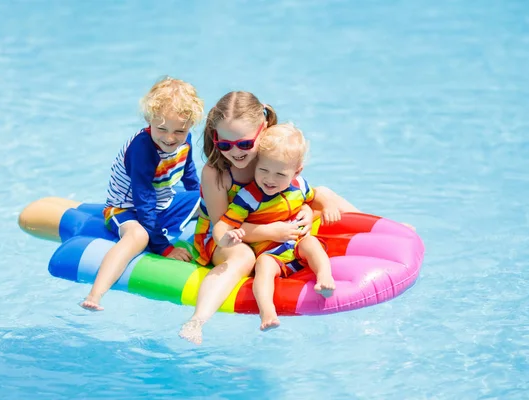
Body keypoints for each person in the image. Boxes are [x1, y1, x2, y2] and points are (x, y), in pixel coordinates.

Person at [179, 91, 359, 344]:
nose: (235, 152)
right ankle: (197, 321)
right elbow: (223, 231)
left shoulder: (271, 159)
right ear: (215, 139)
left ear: (263, 129)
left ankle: (383, 228)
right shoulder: (217, 172)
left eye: (244, 143)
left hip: (275, 227)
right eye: (225, 144)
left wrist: (307, 210)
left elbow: (298, 192)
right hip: (227, 236)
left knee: (327, 195)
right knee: (243, 255)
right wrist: (272, 232)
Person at [80, 77, 204, 311]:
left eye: (180, 131)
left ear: (191, 125)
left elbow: (189, 175)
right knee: (138, 237)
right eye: (162, 129)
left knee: (214, 198)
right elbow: (143, 200)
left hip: (163, 202)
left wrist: (203, 203)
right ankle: (96, 294)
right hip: (127, 208)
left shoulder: (183, 139)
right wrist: (164, 248)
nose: (170, 138)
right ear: (149, 119)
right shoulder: (142, 149)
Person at [213, 123, 336, 331]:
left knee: (312, 243)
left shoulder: (300, 186)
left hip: (297, 246)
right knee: (263, 267)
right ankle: (267, 311)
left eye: (280, 175)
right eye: (263, 170)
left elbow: (315, 197)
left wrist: (327, 206)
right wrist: (229, 236)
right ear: (256, 165)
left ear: (297, 172)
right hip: (269, 253)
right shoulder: (249, 197)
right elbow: (228, 223)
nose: (269, 179)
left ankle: (324, 276)